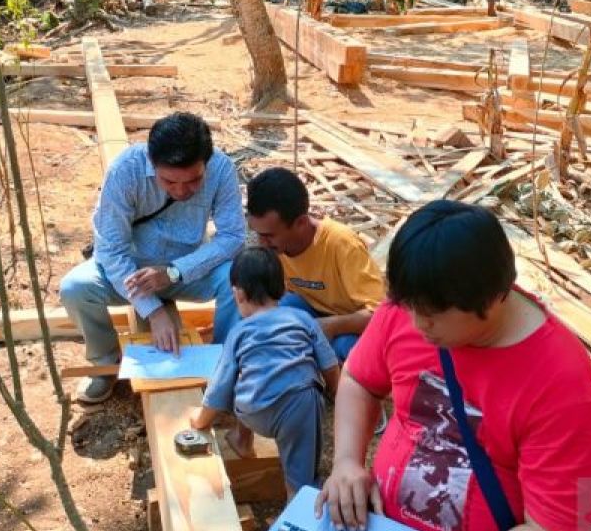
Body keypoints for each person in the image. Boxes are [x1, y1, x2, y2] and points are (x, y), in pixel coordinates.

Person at [316, 200, 591, 531]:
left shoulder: (566, 388)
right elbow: (360, 380)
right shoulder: (416, 304)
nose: (415, 324)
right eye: (408, 307)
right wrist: (346, 461)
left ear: (492, 300)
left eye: (430, 316)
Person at [60, 112, 246, 404]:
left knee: (239, 278)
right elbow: (111, 251)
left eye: (194, 181)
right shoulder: (125, 171)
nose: (182, 191)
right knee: (75, 288)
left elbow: (233, 236)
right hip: (132, 274)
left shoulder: (221, 168)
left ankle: (221, 365)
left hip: (187, 270)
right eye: (169, 181)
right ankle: (104, 365)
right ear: (151, 161)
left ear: (206, 163)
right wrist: (154, 312)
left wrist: (174, 272)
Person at [190, 247, 340, 497]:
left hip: (253, 410)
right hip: (299, 407)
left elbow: (220, 385)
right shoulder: (302, 318)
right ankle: (297, 500)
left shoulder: (239, 331)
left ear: (238, 294)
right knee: (300, 480)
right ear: (283, 287)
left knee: (244, 378)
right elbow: (329, 364)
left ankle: (242, 439)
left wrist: (201, 420)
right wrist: (336, 392)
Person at [245, 167, 383, 362]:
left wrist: (331, 326)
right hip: (312, 315)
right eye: (258, 233)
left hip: (350, 326)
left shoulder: (342, 244)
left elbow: (379, 315)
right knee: (272, 314)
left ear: (300, 223)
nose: (262, 243)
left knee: (349, 349)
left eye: (269, 235)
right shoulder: (277, 247)